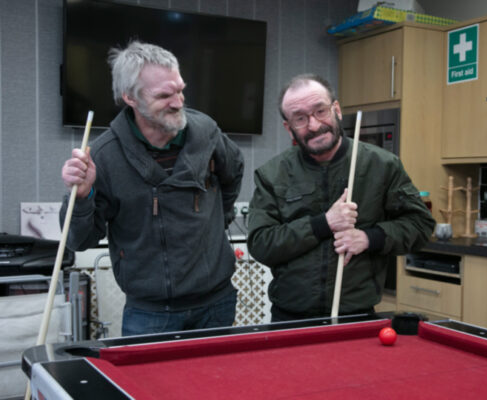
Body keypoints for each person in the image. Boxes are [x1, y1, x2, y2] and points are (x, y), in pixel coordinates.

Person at [60, 41, 244, 335]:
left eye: (180, 90)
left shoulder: (206, 132)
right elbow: (79, 241)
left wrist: (218, 220)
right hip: (151, 314)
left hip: (216, 303)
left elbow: (233, 171)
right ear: (130, 97)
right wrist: (81, 196)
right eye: (164, 95)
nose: (178, 102)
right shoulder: (104, 157)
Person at [247, 73, 435, 322]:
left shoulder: (382, 165)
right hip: (290, 318)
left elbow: (420, 225)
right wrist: (322, 224)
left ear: (336, 110)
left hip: (356, 316)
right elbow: (260, 243)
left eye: (320, 111)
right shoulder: (272, 174)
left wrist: (370, 238)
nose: (314, 125)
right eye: (300, 118)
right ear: (288, 128)